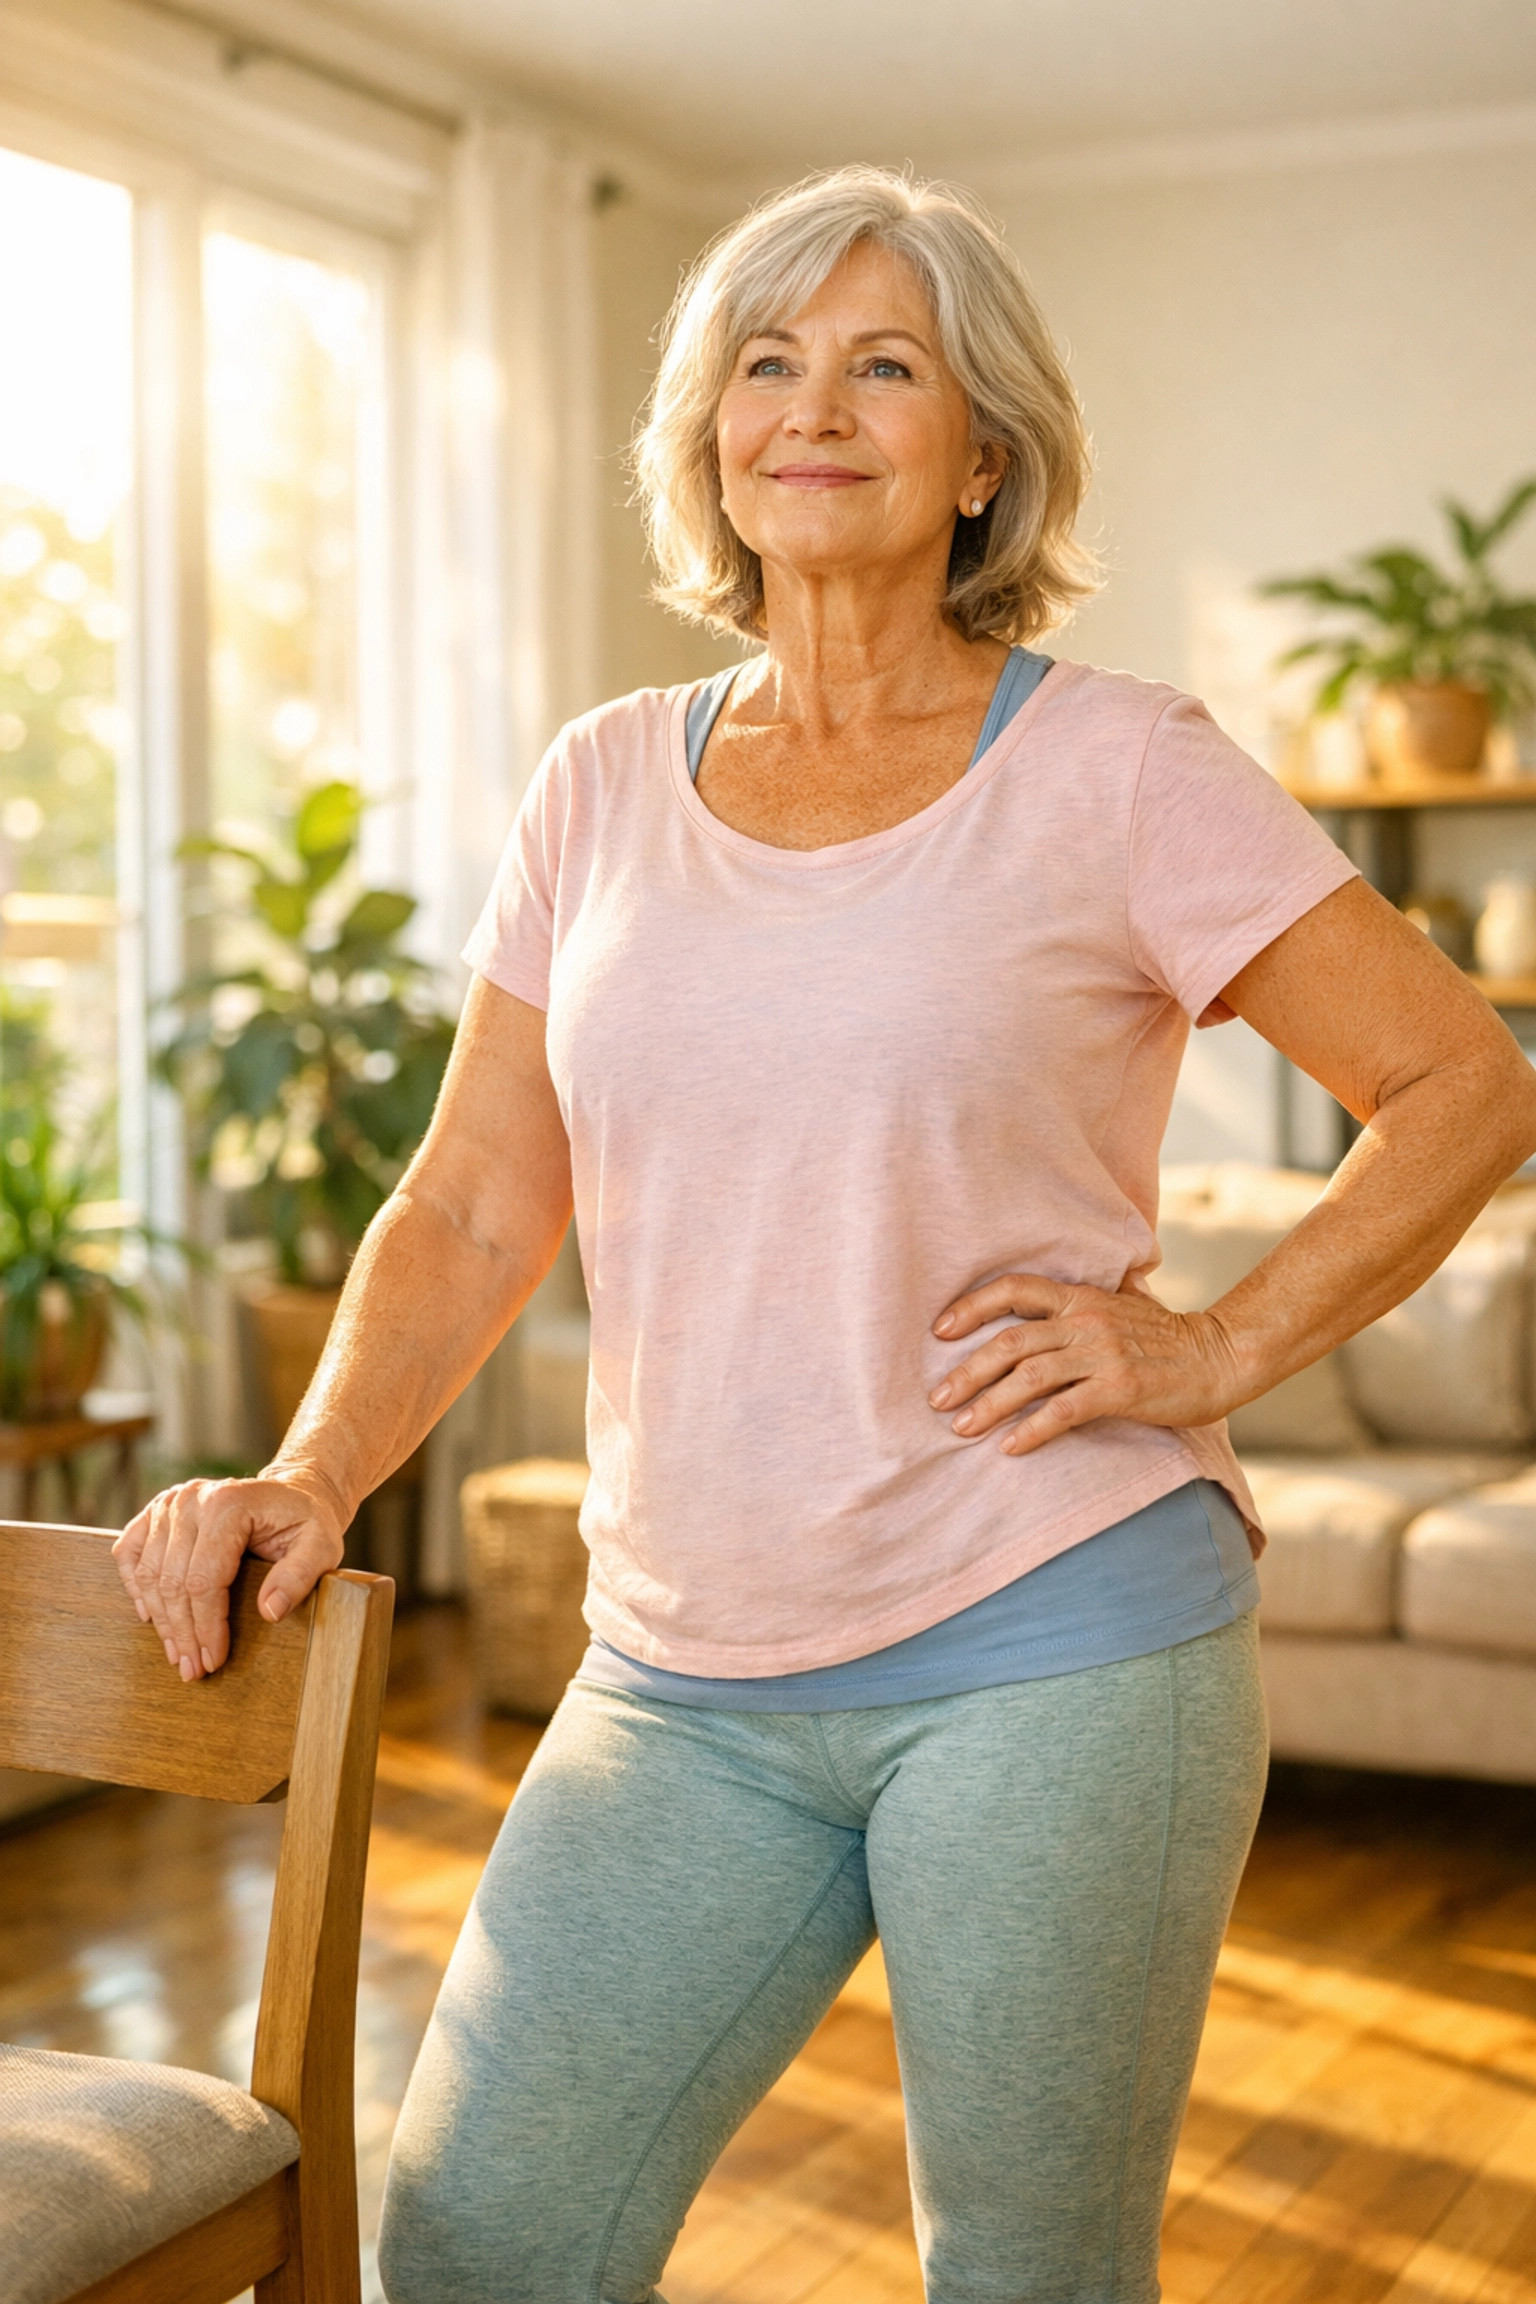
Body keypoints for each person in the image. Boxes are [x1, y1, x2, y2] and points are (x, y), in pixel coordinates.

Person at [114, 168, 1536, 2304]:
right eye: (765, 362)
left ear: (986, 453)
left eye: (889, 364)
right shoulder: (599, 782)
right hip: (677, 1669)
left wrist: (1213, 1354)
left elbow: (1467, 1082)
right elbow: (477, 1192)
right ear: (708, 435)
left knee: (1027, 2273)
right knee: (480, 2235)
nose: (816, 405)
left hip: (1061, 1637)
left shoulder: (1125, 767)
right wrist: (313, 1471)